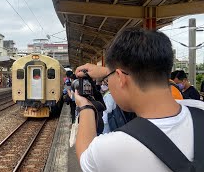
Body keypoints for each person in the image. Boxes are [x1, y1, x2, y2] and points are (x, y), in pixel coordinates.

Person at [74, 28, 204, 171]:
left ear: (120, 78)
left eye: (108, 78)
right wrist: (110, 72)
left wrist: (86, 107)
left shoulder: (112, 147)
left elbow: (85, 156)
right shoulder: (198, 108)